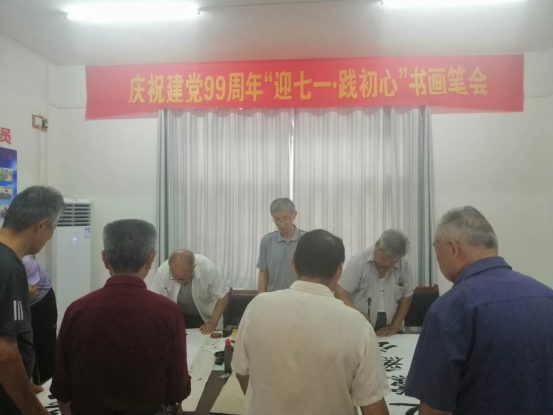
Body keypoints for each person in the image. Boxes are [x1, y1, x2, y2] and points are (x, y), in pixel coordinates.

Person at [405, 207, 553, 415]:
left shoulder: (449, 309)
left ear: (452, 248)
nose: (437, 259)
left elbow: (434, 410)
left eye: (436, 250)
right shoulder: (546, 296)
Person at [233, 229, 391, 415]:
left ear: (293, 264)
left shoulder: (257, 306)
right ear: (339, 271)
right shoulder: (357, 325)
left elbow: (241, 372)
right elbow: (372, 406)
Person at [51, 219, 190, 415]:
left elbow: (62, 387)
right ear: (151, 259)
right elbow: (178, 388)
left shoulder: (77, 310)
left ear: (104, 258)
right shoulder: (168, 311)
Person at [0, 185, 65, 415]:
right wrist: (36, 411)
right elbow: (5, 353)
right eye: (53, 228)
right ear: (40, 225)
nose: (51, 236)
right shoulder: (9, 267)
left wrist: (22, 380)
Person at [335, 229, 415, 337]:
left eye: (393, 262)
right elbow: (340, 292)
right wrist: (357, 316)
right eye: (385, 259)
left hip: (392, 330)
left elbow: (407, 295)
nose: (387, 265)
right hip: (360, 328)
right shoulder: (359, 261)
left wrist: (395, 326)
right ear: (377, 244)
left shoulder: (404, 264)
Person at [151, 249, 229, 334]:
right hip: (180, 315)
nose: (179, 281)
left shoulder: (206, 267)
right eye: (175, 277)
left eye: (184, 277)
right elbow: (155, 301)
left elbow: (223, 297)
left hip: (206, 314)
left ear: (193, 267)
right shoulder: (162, 271)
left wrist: (212, 322)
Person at [257, 197, 306, 293]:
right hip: (273, 296)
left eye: (285, 218)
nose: (282, 224)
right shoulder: (267, 241)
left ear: (294, 215)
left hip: (300, 296)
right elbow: (263, 273)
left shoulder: (306, 239)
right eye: (277, 219)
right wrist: (260, 297)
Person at [24, 256, 58, 387]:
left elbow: (32, 293)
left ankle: (50, 389)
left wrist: (12, 283)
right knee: (26, 347)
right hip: (24, 304)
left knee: (45, 351)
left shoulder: (25, 261)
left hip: (42, 303)